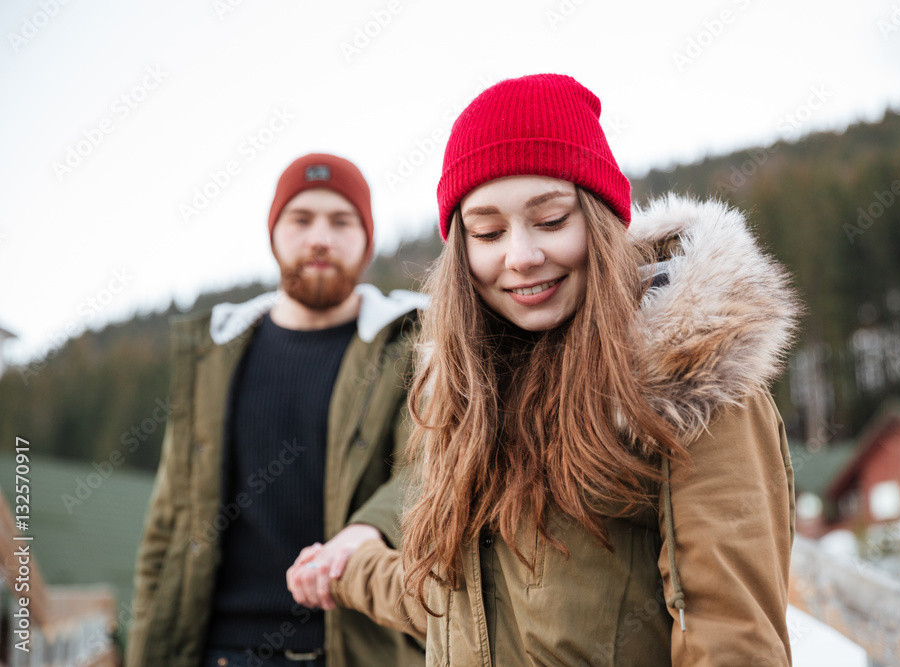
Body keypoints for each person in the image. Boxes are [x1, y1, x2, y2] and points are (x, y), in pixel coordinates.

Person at [287, 75, 801, 666]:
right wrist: (349, 567)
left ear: (601, 220)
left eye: (552, 220)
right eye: (488, 232)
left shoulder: (689, 384)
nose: (522, 256)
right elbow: (460, 608)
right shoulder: (470, 403)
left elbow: (732, 640)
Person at [127, 153, 427, 667]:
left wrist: (367, 533)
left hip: (352, 650)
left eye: (341, 221)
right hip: (219, 651)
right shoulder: (214, 355)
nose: (320, 238)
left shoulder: (410, 344)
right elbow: (166, 524)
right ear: (273, 235)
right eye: (301, 219)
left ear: (368, 240)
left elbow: (426, 471)